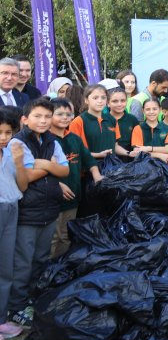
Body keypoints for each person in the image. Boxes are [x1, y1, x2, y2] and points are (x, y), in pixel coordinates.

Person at [7, 98, 73, 328]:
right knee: (23, 262)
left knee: (41, 259)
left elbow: (64, 170)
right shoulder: (18, 142)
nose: (43, 121)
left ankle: (33, 299)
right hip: (27, 212)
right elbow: (24, 179)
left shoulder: (51, 140)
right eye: (38, 116)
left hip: (49, 209)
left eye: (47, 116)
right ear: (25, 119)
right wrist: (50, 166)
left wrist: (42, 164)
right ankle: (16, 307)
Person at [48, 98, 101, 257]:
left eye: (68, 114)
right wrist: (57, 184)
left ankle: (61, 266)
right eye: (59, 114)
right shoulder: (46, 140)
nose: (65, 117)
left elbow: (88, 159)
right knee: (52, 237)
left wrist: (97, 175)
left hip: (73, 196)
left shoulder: (74, 138)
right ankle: (48, 267)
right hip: (53, 198)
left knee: (65, 236)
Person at [0, 106, 26, 339]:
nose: (3, 137)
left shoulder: (11, 153)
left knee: (6, 267)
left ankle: (1, 320)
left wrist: (18, 162)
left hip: (11, 208)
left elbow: (22, 185)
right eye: (0, 132)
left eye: (8, 132)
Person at [108, 87, 139, 160]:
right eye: (115, 101)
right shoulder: (103, 120)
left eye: (123, 101)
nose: (119, 104)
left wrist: (134, 151)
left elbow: (137, 141)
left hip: (130, 159)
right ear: (108, 103)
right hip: (109, 160)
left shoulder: (132, 119)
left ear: (127, 101)